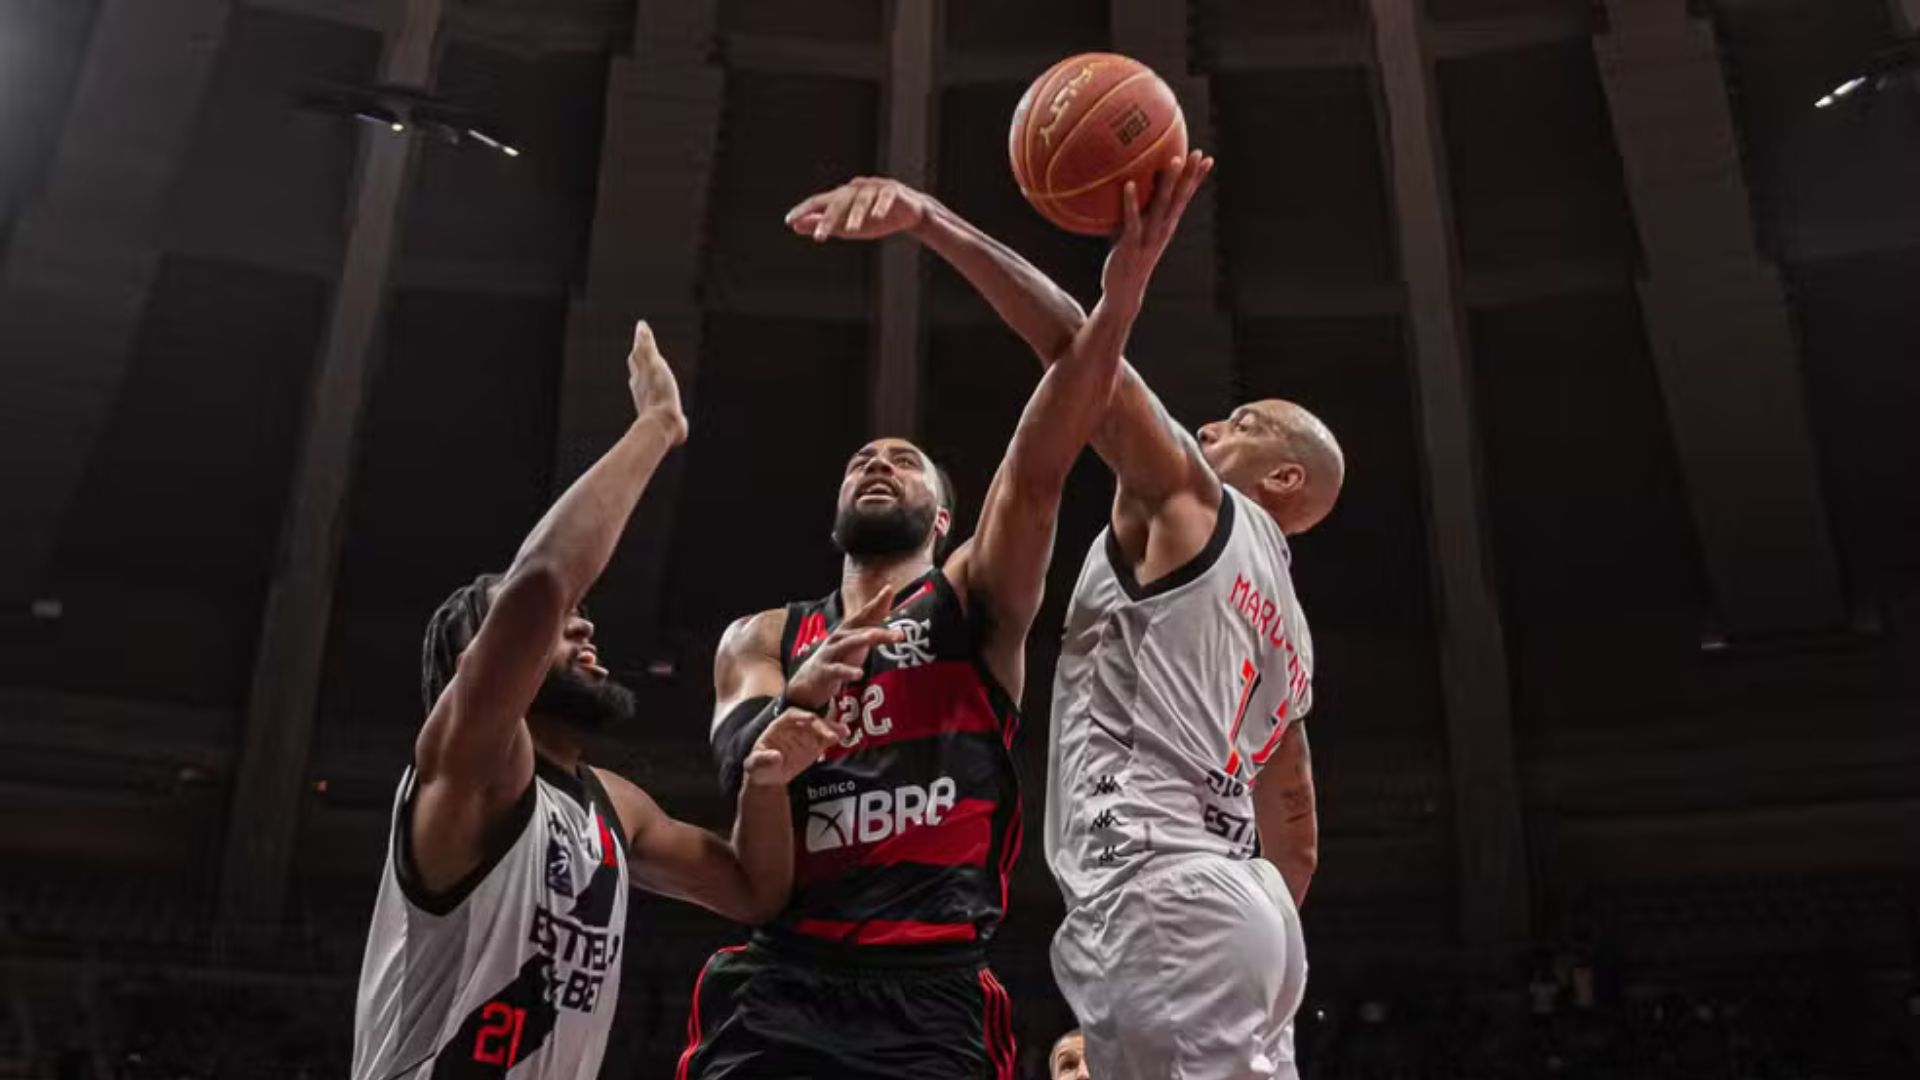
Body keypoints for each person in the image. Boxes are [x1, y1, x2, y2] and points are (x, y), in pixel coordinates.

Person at [795, 160, 1338, 1080]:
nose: (1209, 429)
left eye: (1239, 422)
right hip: (1244, 906)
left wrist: (936, 221)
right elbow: (1301, 836)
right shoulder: (1288, 625)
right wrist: (1243, 920)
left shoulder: (1190, 500)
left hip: (1160, 881)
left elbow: (1073, 354)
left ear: (1284, 480)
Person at [673, 160, 1202, 1080]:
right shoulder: (759, 637)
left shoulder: (972, 601)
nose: (879, 463)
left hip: (933, 990)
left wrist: (1105, 301)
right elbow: (741, 766)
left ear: (946, 518)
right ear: (834, 511)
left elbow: (1046, 452)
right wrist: (797, 700)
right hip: (784, 979)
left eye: (905, 461)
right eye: (862, 460)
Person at [351, 323, 849, 1080]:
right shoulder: (470, 767)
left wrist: (767, 778)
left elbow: (753, 889)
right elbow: (543, 583)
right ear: (479, 662)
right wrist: (655, 428)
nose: (582, 622)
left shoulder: (612, 807)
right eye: (551, 629)